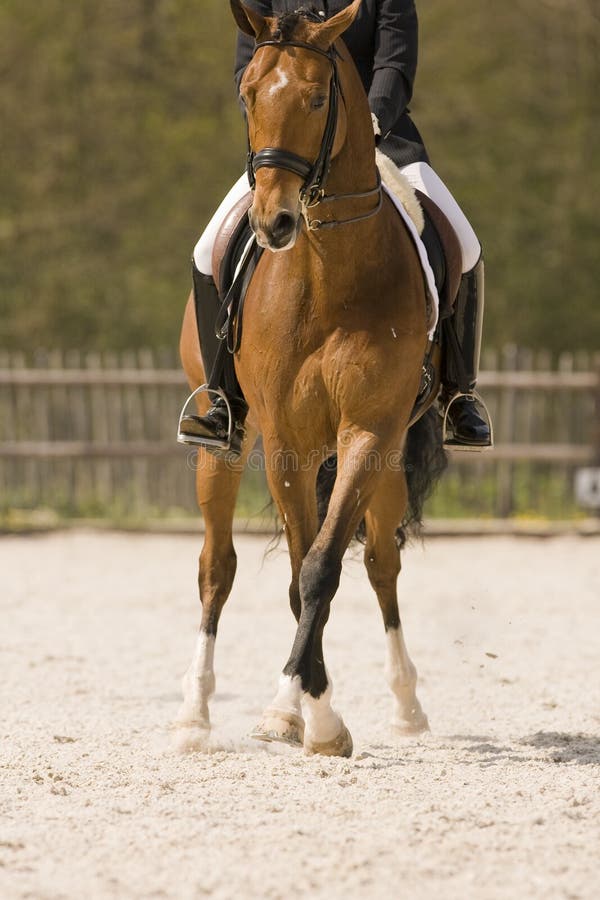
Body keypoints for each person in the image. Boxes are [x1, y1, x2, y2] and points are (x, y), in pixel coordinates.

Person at [181, 0, 492, 454]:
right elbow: (247, 69)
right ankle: (224, 402)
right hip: (293, 146)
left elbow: (395, 63)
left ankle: (458, 394)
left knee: (464, 242)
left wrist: (370, 121)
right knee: (207, 250)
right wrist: (275, 121)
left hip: (379, 139)